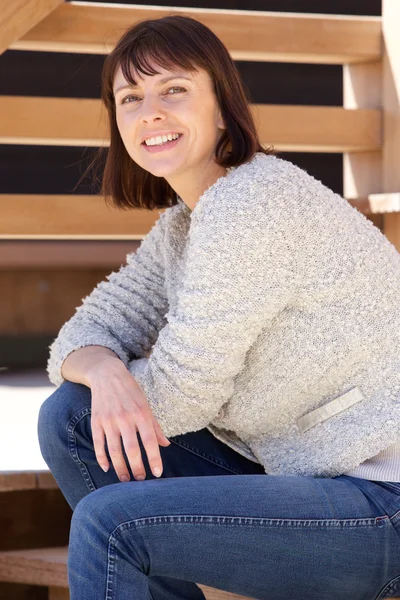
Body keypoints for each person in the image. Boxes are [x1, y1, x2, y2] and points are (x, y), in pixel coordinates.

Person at [38, 14, 400, 600]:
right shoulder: (186, 222)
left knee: (113, 526)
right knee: (71, 413)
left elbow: (182, 397)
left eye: (173, 89)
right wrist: (102, 369)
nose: (149, 112)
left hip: (377, 503)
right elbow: (91, 326)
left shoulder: (252, 205)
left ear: (221, 104)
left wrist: (112, 376)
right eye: (131, 98)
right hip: (292, 470)